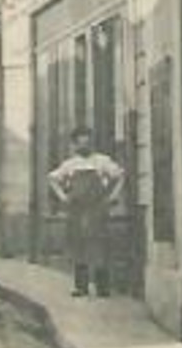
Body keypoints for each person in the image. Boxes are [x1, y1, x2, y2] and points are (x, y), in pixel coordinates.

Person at [47, 125, 126, 298]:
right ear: (74, 145)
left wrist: (112, 197)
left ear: (92, 142)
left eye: (87, 142)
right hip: (76, 209)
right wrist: (63, 197)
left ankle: (102, 287)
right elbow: (52, 179)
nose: (84, 146)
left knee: (99, 245)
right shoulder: (70, 164)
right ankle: (81, 286)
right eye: (80, 143)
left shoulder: (102, 161)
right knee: (78, 245)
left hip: (97, 208)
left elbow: (120, 176)